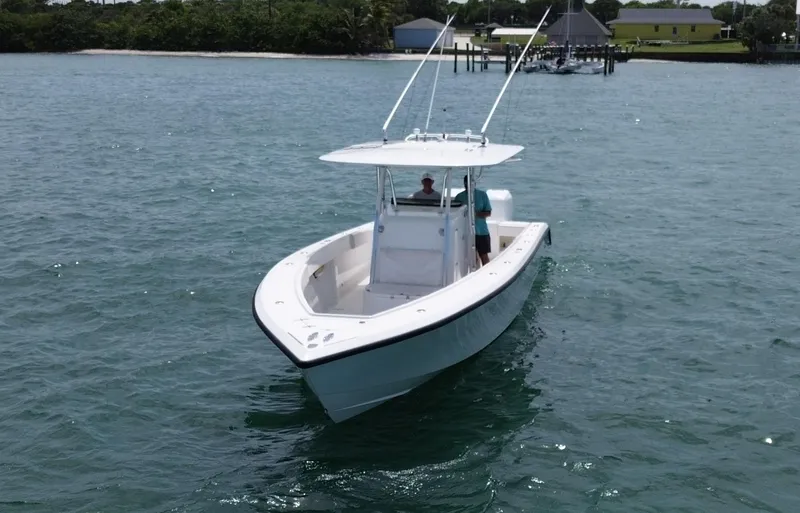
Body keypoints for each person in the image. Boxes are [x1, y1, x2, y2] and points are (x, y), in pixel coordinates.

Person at [454, 174, 492, 267]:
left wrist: (475, 214)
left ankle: (487, 275)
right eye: (466, 183)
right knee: (472, 257)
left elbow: (488, 212)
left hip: (481, 231)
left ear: (474, 183)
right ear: (464, 184)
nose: (468, 185)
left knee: (484, 256)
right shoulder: (459, 197)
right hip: (466, 232)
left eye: (471, 182)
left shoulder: (482, 195)